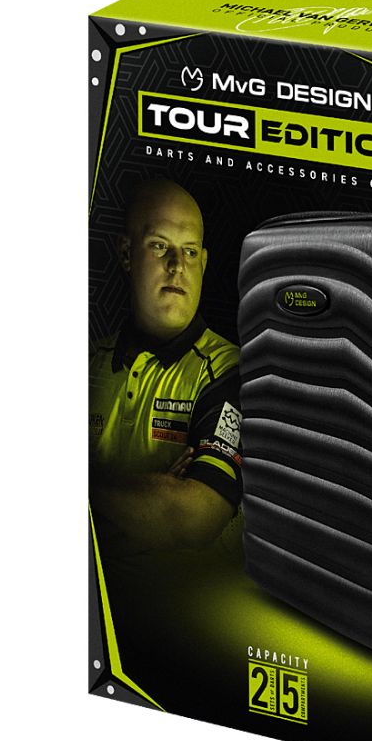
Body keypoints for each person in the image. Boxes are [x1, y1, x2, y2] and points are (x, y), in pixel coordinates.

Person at [89, 178, 241, 553]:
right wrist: (153, 491)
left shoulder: (232, 370)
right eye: (159, 246)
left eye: (189, 251)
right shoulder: (88, 361)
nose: (177, 266)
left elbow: (190, 519)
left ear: (203, 262)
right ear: (126, 253)